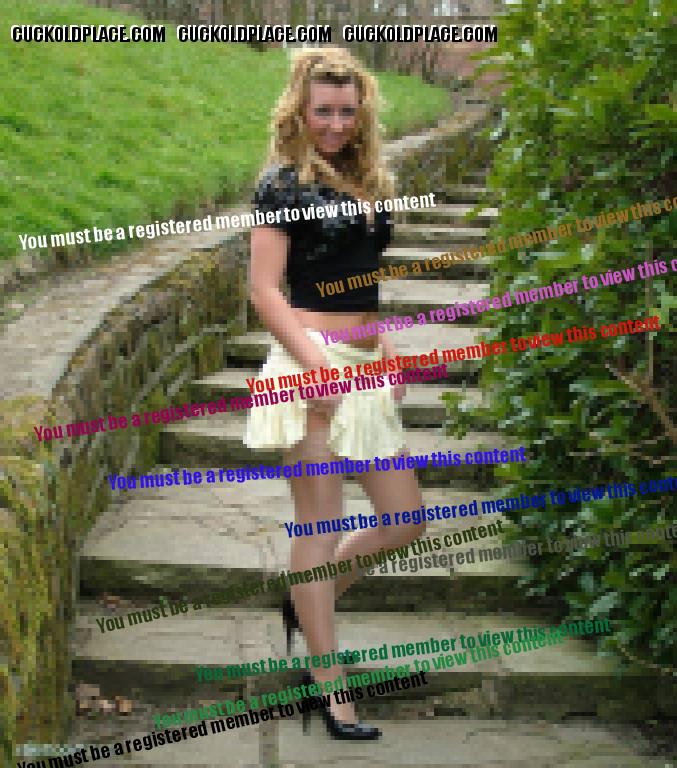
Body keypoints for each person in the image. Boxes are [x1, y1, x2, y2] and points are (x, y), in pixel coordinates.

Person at [245, 46, 426, 740]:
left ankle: (306, 603)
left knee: (404, 519)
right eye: (323, 110)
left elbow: (363, 279)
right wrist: (314, 364)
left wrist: (384, 346)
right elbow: (265, 290)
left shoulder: (368, 178)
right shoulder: (280, 185)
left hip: (364, 360)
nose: (335, 124)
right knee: (318, 527)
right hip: (308, 365)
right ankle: (331, 688)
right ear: (299, 109)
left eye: (347, 111)